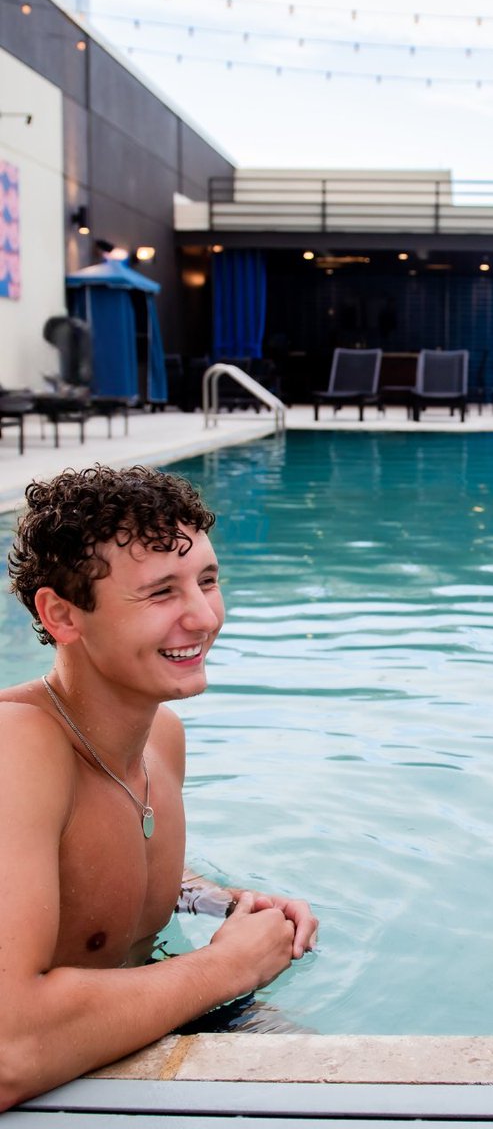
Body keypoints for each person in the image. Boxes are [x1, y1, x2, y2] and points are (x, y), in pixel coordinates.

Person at [0, 465, 319, 1110]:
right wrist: (231, 967)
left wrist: (219, 902)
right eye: (160, 594)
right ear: (62, 615)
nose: (204, 617)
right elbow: (7, 1053)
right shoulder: (17, 747)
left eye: (207, 579)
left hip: (145, 1012)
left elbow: (88, 868)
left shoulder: (160, 737)